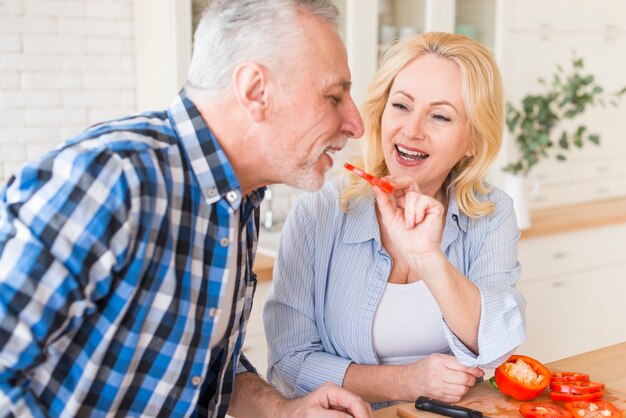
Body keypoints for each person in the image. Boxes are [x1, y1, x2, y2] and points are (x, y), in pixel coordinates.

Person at [0, 1, 373, 417]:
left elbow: (202, 368)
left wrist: (285, 411)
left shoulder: (238, 202)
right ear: (255, 92)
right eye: (334, 95)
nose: (355, 123)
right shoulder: (111, 177)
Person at [264, 31, 527, 410]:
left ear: (472, 140)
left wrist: (428, 259)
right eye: (401, 106)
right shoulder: (317, 214)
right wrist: (406, 381)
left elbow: (497, 345)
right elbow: (288, 364)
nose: (411, 130)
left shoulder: (491, 213)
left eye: (440, 116)